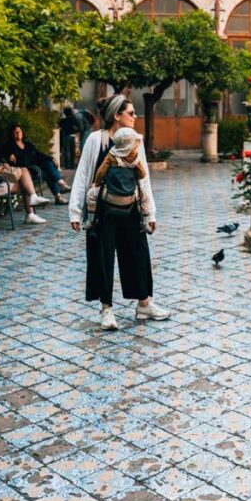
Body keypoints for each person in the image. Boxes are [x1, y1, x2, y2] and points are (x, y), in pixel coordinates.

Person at [69, 93, 170, 331]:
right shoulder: (97, 140)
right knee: (102, 258)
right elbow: (83, 175)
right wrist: (76, 212)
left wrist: (150, 213)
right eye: (131, 113)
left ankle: (144, 303)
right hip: (103, 209)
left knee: (138, 253)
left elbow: (143, 179)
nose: (135, 117)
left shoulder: (136, 141)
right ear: (117, 115)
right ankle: (106, 310)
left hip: (131, 206)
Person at [0, 130, 49, 224]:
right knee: (25, 185)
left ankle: (32, 203)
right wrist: (1, 167)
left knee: (24, 171)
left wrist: (4, 165)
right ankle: (31, 212)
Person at [85, 126, 150, 231]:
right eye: (136, 142)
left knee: (91, 195)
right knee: (144, 198)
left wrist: (96, 184)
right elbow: (142, 174)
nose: (138, 144)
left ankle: (90, 220)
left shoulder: (111, 155)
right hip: (129, 199)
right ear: (129, 146)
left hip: (111, 197)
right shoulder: (135, 158)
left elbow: (100, 171)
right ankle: (145, 222)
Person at [1, 124, 72, 205]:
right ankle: (60, 191)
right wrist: (9, 154)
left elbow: (39, 154)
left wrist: (52, 159)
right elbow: (0, 151)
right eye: (15, 132)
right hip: (25, 171)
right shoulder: (9, 146)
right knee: (49, 172)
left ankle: (61, 187)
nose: (18, 134)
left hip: (35, 168)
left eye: (19, 132)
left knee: (48, 165)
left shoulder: (28, 144)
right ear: (11, 134)